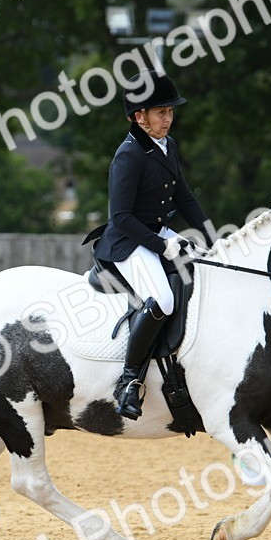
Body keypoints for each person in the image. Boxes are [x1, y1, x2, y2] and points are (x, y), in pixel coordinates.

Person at [92, 70, 215, 420]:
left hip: (157, 233)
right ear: (139, 116)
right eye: (161, 112)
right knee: (162, 299)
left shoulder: (167, 145)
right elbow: (121, 218)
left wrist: (210, 236)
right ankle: (129, 381)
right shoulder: (128, 155)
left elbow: (185, 197)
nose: (168, 118)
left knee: (206, 269)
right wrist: (163, 247)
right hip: (128, 241)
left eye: (170, 111)